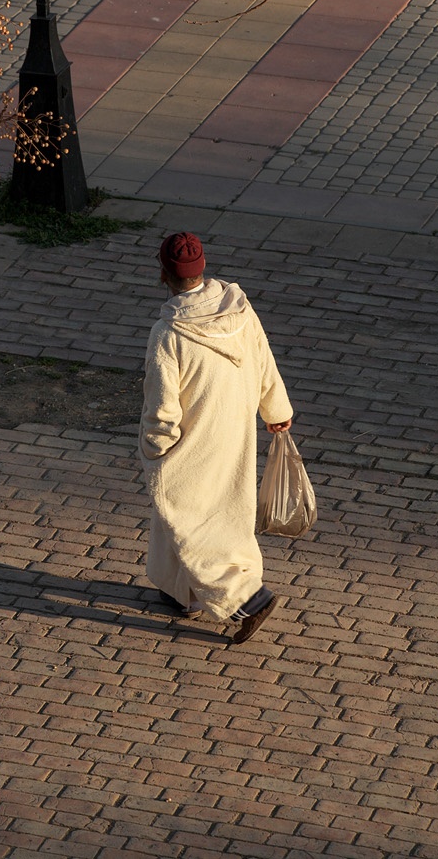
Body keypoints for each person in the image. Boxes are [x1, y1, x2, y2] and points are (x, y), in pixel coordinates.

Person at [139, 231, 293, 643]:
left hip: (193, 440)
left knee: (193, 519)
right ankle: (182, 592)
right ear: (203, 267)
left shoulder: (168, 334)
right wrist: (276, 410)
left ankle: (248, 599)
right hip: (235, 431)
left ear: (163, 274)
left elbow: (162, 407)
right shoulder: (239, 308)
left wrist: (155, 446)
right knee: (218, 510)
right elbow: (263, 358)